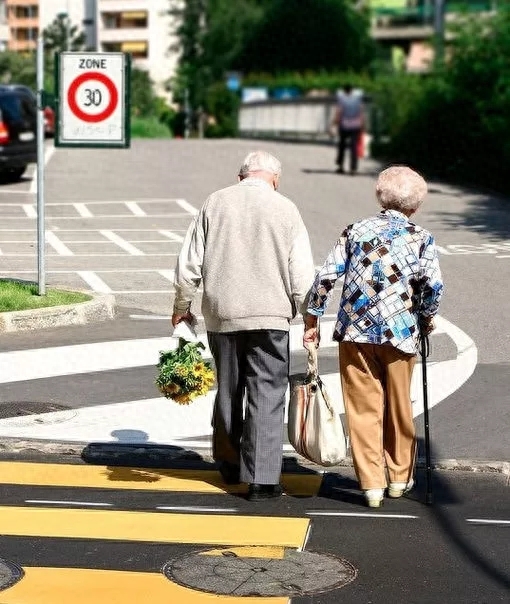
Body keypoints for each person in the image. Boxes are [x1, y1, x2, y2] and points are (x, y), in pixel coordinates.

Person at [172, 150, 315, 501]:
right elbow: (302, 274)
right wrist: (309, 316)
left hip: (223, 314)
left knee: (229, 388)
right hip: (271, 317)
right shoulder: (287, 208)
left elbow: (189, 263)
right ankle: (263, 479)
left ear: (241, 177)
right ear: (275, 180)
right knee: (267, 394)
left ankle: (230, 462)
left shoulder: (214, 203)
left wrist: (181, 306)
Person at [303, 166, 444, 508]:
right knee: (399, 406)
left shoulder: (355, 231)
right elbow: (433, 286)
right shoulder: (421, 237)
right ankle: (399, 477)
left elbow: (326, 276)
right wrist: (425, 318)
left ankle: (371, 486)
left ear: (380, 195)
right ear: (416, 205)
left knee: (363, 409)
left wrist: (313, 317)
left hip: (356, 331)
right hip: (400, 332)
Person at [333, 84, 365, 175]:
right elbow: (361, 111)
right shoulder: (357, 98)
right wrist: (363, 124)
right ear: (352, 90)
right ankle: (353, 168)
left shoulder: (342, 98)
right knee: (353, 147)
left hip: (344, 125)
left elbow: (339, 111)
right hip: (355, 126)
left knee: (342, 146)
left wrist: (334, 123)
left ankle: (340, 166)